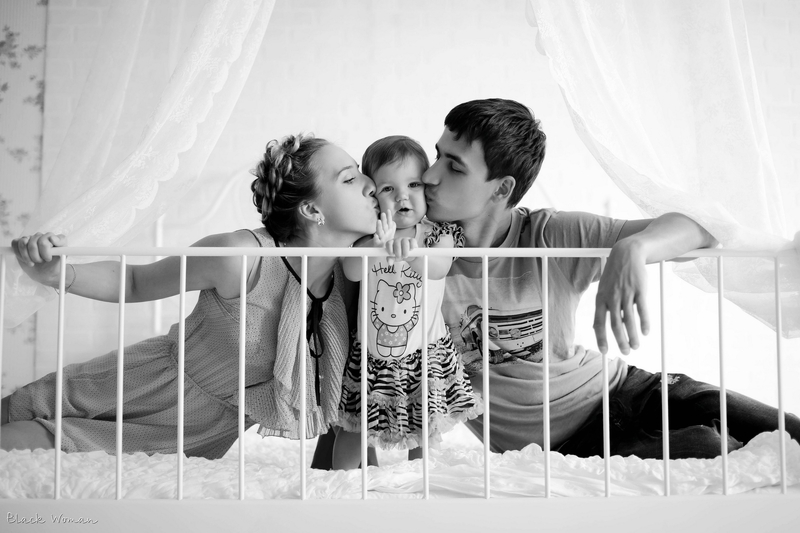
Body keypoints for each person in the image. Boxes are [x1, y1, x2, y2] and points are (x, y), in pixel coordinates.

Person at [418, 97, 800, 459]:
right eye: (437, 155)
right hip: (573, 448)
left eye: (454, 166)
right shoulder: (416, 258)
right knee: (712, 449)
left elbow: (704, 227)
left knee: (789, 431)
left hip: (634, 390)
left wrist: (633, 248)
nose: (429, 176)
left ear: (502, 189)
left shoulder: (547, 234)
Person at [1, 133, 381, 459]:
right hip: (132, 389)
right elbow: (134, 282)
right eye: (350, 178)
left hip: (198, 438)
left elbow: (353, 388)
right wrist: (59, 273)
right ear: (312, 209)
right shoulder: (243, 257)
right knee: (12, 431)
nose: (370, 185)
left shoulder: (353, 281)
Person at [332, 136, 481, 469]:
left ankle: (418, 480)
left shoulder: (437, 233)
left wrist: (413, 254)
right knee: (356, 425)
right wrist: (376, 246)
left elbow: (439, 267)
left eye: (413, 184)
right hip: (373, 355)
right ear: (374, 197)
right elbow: (352, 272)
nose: (402, 196)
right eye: (388, 188)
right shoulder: (367, 235)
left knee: (424, 425)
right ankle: (341, 480)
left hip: (424, 352)